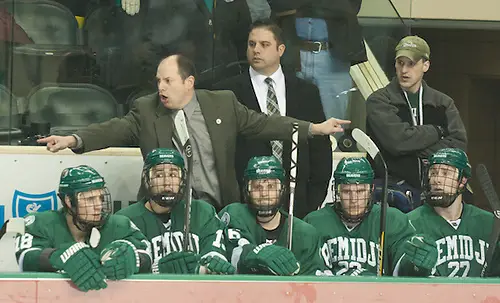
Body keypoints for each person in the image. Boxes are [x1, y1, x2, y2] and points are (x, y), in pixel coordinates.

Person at [38, 53, 350, 211]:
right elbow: (113, 129)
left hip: (218, 207)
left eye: (168, 81)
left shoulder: (222, 104)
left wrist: (313, 128)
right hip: (166, 210)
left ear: (189, 82)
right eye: (158, 81)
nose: (160, 87)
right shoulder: (147, 110)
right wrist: (73, 139)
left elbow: (264, 123)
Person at [214, 19, 331, 218]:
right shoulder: (227, 92)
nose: (256, 50)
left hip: (298, 202)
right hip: (245, 203)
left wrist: (313, 201)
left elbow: (320, 150)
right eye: (252, 44)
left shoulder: (306, 92)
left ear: (281, 49)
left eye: (264, 45)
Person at [366, 35, 467, 212]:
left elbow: (458, 146)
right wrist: (436, 132)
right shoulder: (378, 100)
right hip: (392, 195)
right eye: (400, 63)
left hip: (436, 192)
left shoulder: (443, 103)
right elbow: (397, 141)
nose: (404, 70)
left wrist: (410, 147)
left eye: (411, 64)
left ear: (425, 65)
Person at [14, 165, 152, 292]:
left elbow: (147, 255)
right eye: (90, 199)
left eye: (100, 198)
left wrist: (133, 258)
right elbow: (26, 259)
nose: (99, 205)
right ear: (68, 200)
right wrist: (61, 257)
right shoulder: (42, 223)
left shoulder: (118, 224)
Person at [304, 157, 438, 276]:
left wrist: (416, 263)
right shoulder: (315, 222)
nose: (354, 199)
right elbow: (310, 273)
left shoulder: (391, 219)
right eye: (346, 191)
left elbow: (403, 268)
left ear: (371, 190)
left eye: (360, 191)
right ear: (336, 191)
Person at [116, 148, 234, 275]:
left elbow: (214, 255)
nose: (167, 183)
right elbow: (125, 268)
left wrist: (212, 265)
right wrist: (156, 270)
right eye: (159, 175)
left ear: (182, 179)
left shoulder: (202, 212)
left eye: (173, 175)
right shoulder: (125, 220)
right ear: (147, 179)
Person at [219, 156, 331, 276]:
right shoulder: (234, 214)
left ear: (282, 189)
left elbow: (312, 282)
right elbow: (228, 258)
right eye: (257, 187)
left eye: (271, 187)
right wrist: (253, 254)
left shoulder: (305, 233)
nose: (264, 193)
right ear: (247, 190)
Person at [408, 148, 500, 277]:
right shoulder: (410, 223)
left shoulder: (489, 223)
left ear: (462, 181)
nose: (437, 180)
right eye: (433, 173)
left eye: (445, 173)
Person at [269, 0, 367, 120]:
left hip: (332, 58)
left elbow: (348, 6)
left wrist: (300, 6)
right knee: (289, 120)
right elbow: (278, 4)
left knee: (333, 122)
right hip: (292, 54)